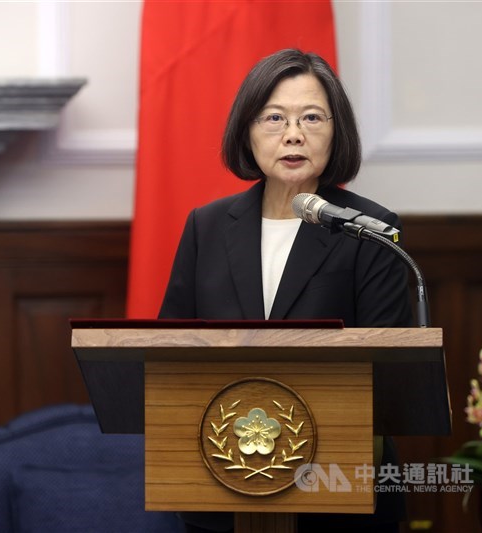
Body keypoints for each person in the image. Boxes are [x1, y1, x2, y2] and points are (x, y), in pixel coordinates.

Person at [159, 49, 412, 532]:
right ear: (247, 130)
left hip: (338, 489)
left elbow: (387, 370)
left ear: (336, 131)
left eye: (311, 117)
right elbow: (170, 354)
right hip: (221, 482)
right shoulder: (206, 228)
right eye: (274, 117)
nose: (293, 133)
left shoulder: (370, 230)